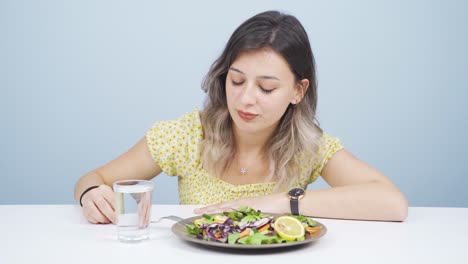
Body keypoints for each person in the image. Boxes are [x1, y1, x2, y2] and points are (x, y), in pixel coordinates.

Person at [74, 10, 408, 224]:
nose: (246, 99)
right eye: (236, 80)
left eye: (266, 88)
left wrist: (278, 202)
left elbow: (392, 203)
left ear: (298, 91)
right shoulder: (187, 135)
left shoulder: (309, 147)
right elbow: (93, 178)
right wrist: (91, 196)